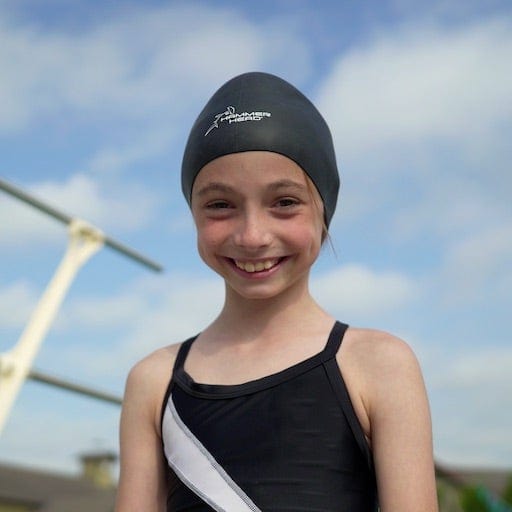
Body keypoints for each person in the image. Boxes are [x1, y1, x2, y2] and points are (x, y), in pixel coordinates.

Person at [115, 72, 438, 512]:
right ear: (192, 214)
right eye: (220, 205)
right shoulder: (154, 383)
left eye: (284, 202)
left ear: (324, 211)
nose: (252, 236)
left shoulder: (379, 366)